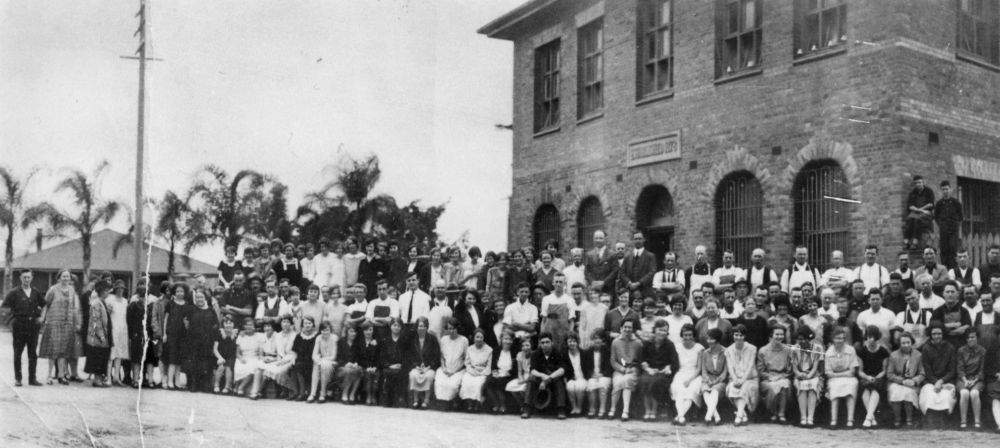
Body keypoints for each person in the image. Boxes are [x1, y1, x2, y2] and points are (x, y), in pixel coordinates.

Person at [2, 270, 46, 387]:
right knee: (18, 352)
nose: (26, 280)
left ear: (32, 278)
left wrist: (41, 317)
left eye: (28, 277)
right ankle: (18, 379)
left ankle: (32, 378)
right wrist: (11, 320)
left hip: (33, 326)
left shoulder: (36, 292)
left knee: (32, 353)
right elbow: (4, 308)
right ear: (20, 278)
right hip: (19, 325)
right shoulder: (14, 292)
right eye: (24, 277)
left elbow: (44, 304)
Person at [38, 270, 81, 385]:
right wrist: (43, 318)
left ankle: (61, 375)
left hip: (67, 324)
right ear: (59, 278)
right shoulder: (53, 289)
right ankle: (49, 376)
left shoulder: (72, 290)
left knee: (63, 350)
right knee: (53, 350)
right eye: (64, 276)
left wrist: (76, 322)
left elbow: (74, 307)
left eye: (68, 276)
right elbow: (45, 304)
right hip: (54, 322)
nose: (66, 278)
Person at [637, 319, 679, 421]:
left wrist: (668, 368)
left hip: (662, 373)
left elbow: (674, 363)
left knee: (655, 383)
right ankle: (647, 410)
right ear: (655, 330)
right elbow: (641, 359)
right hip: (649, 371)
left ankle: (654, 411)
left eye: (665, 330)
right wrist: (647, 368)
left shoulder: (670, 344)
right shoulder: (647, 343)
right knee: (644, 381)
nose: (662, 333)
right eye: (660, 330)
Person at [523, 332, 570, 420]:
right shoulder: (535, 354)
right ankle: (526, 408)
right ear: (540, 344)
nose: (545, 345)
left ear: (552, 342)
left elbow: (562, 370)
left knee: (559, 381)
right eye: (542, 342)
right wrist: (542, 376)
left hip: (553, 379)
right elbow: (532, 370)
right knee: (531, 379)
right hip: (540, 379)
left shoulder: (558, 353)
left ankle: (561, 409)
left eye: (547, 342)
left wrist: (549, 378)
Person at [919, 324, 957, 426]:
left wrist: (941, 382)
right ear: (930, 335)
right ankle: (930, 423)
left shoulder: (950, 348)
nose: (936, 336)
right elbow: (927, 371)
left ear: (943, 334)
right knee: (930, 394)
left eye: (939, 333)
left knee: (946, 395)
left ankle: (944, 422)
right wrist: (936, 382)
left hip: (946, 381)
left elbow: (952, 370)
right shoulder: (926, 348)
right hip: (930, 381)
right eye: (934, 334)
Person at [186, 290, 221, 392]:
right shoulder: (192, 309)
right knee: (194, 362)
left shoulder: (211, 310)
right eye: (197, 297)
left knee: (206, 363)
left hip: (207, 341)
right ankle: (193, 384)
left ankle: (205, 384)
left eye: (201, 297)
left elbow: (215, 325)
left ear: (205, 298)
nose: (199, 299)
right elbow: (187, 324)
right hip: (194, 341)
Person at [887, 331, 925, 427]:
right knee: (895, 391)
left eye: (908, 342)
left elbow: (922, 373)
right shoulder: (893, 355)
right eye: (903, 343)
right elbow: (890, 374)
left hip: (912, 382)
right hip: (898, 381)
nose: (906, 345)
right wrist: (902, 381)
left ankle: (909, 419)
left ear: (912, 343)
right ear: (899, 344)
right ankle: (897, 419)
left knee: (908, 392)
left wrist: (914, 381)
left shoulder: (918, 355)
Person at [757, 325, 792, 422]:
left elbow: (790, 369)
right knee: (773, 387)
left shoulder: (787, 350)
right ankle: (773, 412)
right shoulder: (763, 350)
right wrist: (770, 377)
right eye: (777, 334)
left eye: (781, 334)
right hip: (768, 378)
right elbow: (760, 370)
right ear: (771, 335)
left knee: (784, 384)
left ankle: (781, 413)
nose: (779, 336)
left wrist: (781, 376)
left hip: (783, 377)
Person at [669, 324, 703, 425]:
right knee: (679, 390)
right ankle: (681, 417)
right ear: (682, 335)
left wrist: (690, 380)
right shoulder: (677, 347)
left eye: (690, 335)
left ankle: (679, 416)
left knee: (691, 392)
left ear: (694, 336)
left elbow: (699, 368)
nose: (688, 337)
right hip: (681, 373)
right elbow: (675, 364)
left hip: (694, 375)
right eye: (685, 335)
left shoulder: (699, 348)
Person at [725, 324, 759, 425]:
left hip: (750, 378)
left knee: (744, 388)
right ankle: (742, 415)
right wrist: (735, 380)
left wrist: (742, 380)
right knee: (732, 388)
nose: (738, 337)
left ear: (745, 336)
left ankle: (739, 415)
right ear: (733, 335)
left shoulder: (752, 348)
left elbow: (750, 366)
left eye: (741, 335)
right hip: (734, 378)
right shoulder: (729, 350)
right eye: (736, 335)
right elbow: (730, 367)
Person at [610, 320, 643, 421]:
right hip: (620, 370)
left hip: (633, 370)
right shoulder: (615, 342)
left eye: (630, 327)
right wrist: (622, 369)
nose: (627, 329)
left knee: (627, 381)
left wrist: (633, 368)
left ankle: (625, 411)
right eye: (625, 327)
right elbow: (613, 360)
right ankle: (613, 409)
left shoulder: (638, 343)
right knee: (618, 381)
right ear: (621, 328)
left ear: (633, 329)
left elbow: (640, 360)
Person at [792, 326, 823, 427]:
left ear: (809, 338)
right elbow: (794, 367)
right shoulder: (794, 349)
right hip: (800, 374)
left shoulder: (818, 348)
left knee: (812, 385)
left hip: (814, 375)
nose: (802, 341)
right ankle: (803, 417)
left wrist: (809, 376)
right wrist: (799, 374)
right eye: (799, 339)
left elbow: (816, 367)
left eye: (804, 338)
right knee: (802, 386)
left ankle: (810, 418)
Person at [84, 281, 112, 387]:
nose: (107, 292)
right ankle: (97, 379)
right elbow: (96, 320)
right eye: (106, 290)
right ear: (101, 291)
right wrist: (101, 335)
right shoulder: (96, 303)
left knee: (101, 357)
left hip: (102, 335)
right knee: (97, 357)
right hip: (97, 337)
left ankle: (99, 378)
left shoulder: (102, 302)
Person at [435, 318, 468, 407]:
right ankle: (443, 403)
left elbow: (466, 360)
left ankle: (453, 402)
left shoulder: (464, 340)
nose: (451, 331)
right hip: (445, 368)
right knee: (440, 383)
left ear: (457, 328)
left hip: (458, 369)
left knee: (452, 385)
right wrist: (443, 368)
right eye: (449, 328)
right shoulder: (444, 339)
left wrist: (454, 371)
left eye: (453, 328)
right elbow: (441, 357)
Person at [955, 329, 985, 429]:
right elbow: (959, 368)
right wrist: (965, 380)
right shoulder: (961, 350)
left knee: (974, 393)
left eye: (972, 337)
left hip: (977, 379)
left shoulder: (982, 351)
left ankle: (977, 422)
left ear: (977, 338)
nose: (970, 339)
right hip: (963, 379)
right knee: (964, 393)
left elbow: (982, 370)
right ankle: (963, 422)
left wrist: (975, 380)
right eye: (968, 337)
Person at [539, 273, 576, 349]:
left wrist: (570, 336)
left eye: (560, 282)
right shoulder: (546, 299)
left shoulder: (570, 300)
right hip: (550, 332)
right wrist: (542, 336)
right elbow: (543, 320)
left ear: (564, 283)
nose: (558, 284)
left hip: (563, 333)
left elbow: (571, 321)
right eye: (556, 282)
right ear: (553, 283)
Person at [459, 328, 493, 411]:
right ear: (473, 338)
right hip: (472, 371)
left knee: (478, 384)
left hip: (483, 372)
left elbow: (489, 366)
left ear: (484, 338)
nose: (479, 339)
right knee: (467, 382)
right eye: (477, 337)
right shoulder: (470, 349)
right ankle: (469, 404)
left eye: (481, 337)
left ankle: (477, 405)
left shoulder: (489, 350)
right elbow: (467, 363)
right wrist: (472, 371)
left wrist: (481, 373)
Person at [582, 329, 613, 418]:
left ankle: (602, 409)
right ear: (592, 340)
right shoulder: (588, 352)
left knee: (603, 383)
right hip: (593, 375)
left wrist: (602, 374)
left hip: (604, 375)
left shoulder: (607, 351)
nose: (597, 341)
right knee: (591, 383)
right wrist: (591, 375)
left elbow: (609, 366)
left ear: (603, 340)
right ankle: (592, 409)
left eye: (599, 338)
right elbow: (586, 367)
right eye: (595, 338)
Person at [700, 328, 728, 425]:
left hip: (720, 380)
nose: (709, 341)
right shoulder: (705, 353)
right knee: (705, 390)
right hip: (708, 379)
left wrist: (716, 381)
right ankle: (716, 416)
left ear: (717, 340)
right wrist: (707, 380)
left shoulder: (726, 352)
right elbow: (703, 371)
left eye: (711, 339)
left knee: (715, 390)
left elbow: (725, 371)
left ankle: (708, 415)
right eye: (708, 339)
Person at [486, 331, 517, 414]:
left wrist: (507, 373)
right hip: (498, 373)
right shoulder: (496, 350)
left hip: (509, 375)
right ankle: (496, 403)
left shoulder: (515, 351)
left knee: (500, 382)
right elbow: (493, 365)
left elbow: (516, 368)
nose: (507, 341)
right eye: (505, 339)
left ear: (512, 341)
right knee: (489, 381)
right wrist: (495, 372)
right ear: (501, 339)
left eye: (510, 339)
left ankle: (503, 405)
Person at [234, 317, 265, 399]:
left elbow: (260, 352)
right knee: (239, 366)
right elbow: (237, 353)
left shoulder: (259, 336)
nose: (249, 327)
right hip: (243, 357)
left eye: (251, 325)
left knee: (253, 367)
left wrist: (260, 358)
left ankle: (241, 387)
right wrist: (240, 358)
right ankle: (238, 387)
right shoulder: (241, 336)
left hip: (254, 357)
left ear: (254, 326)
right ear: (244, 326)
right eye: (246, 325)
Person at [379, 318, 407, 407]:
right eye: (394, 325)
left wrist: (400, 365)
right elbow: (382, 357)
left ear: (401, 327)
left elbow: (407, 356)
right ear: (390, 326)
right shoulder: (385, 340)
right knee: (387, 373)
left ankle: (397, 399)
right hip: (388, 367)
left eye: (398, 326)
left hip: (400, 367)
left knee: (400, 374)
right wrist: (390, 365)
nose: (396, 327)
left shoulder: (404, 340)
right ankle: (387, 399)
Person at [934, 181, 963, 267]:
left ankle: (953, 270)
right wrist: (942, 225)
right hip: (943, 231)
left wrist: (955, 225)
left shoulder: (956, 202)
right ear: (941, 191)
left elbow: (961, 217)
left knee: (953, 250)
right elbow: (936, 217)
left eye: (946, 189)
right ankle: (945, 269)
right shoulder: (939, 204)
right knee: (944, 251)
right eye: (943, 189)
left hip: (953, 231)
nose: (945, 191)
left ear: (950, 189)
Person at [620, 231, 658, 298]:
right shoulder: (627, 256)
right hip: (629, 290)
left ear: (644, 240)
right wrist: (629, 283)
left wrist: (639, 283)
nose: (638, 241)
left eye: (640, 239)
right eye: (636, 239)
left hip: (645, 290)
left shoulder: (650, 256)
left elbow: (652, 272)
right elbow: (622, 272)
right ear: (633, 240)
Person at [904, 175, 935, 249]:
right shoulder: (913, 192)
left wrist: (922, 210)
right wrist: (921, 210)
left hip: (927, 213)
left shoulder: (928, 191)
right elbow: (910, 206)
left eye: (919, 182)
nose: (918, 184)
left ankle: (915, 241)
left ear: (923, 182)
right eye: (916, 183)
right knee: (909, 219)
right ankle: (906, 242)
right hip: (917, 212)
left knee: (918, 220)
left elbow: (931, 204)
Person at [336, 325, 363, 403]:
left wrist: (356, 363)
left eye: (355, 332)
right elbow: (338, 357)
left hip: (353, 367)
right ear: (347, 332)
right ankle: (344, 393)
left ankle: (352, 394)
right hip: (341, 367)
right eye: (351, 331)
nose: (353, 333)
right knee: (349, 371)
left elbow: (358, 357)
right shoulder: (341, 342)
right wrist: (345, 364)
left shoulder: (357, 343)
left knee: (359, 370)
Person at [564, 333, 588, 415]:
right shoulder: (564, 354)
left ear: (577, 342)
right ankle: (573, 407)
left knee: (579, 387)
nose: (572, 343)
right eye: (570, 341)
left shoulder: (584, 353)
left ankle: (579, 407)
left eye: (574, 341)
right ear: (567, 343)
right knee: (570, 386)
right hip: (571, 378)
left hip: (582, 377)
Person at [212, 317, 238, 394]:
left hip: (232, 356)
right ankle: (216, 385)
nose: (228, 325)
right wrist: (220, 357)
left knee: (228, 366)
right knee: (221, 364)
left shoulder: (237, 333)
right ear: (223, 324)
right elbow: (215, 349)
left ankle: (227, 387)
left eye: (230, 323)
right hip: (220, 355)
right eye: (226, 323)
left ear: (234, 324)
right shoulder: (219, 333)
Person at [357, 323, 380, 405]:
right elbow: (359, 358)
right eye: (366, 330)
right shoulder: (360, 342)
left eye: (370, 330)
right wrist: (367, 367)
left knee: (375, 374)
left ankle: (373, 395)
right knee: (367, 374)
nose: (368, 332)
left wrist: (374, 367)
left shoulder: (376, 343)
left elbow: (378, 358)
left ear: (373, 331)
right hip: (364, 367)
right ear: (363, 331)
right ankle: (368, 395)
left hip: (374, 367)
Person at [507, 338, 533, 409]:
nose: (525, 348)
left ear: (531, 346)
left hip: (531, 377)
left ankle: (528, 406)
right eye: (523, 346)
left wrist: (524, 381)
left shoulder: (534, 355)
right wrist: (520, 379)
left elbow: (533, 372)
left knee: (522, 390)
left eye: (527, 345)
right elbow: (520, 371)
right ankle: (522, 405)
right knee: (512, 386)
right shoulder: (519, 355)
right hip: (523, 376)